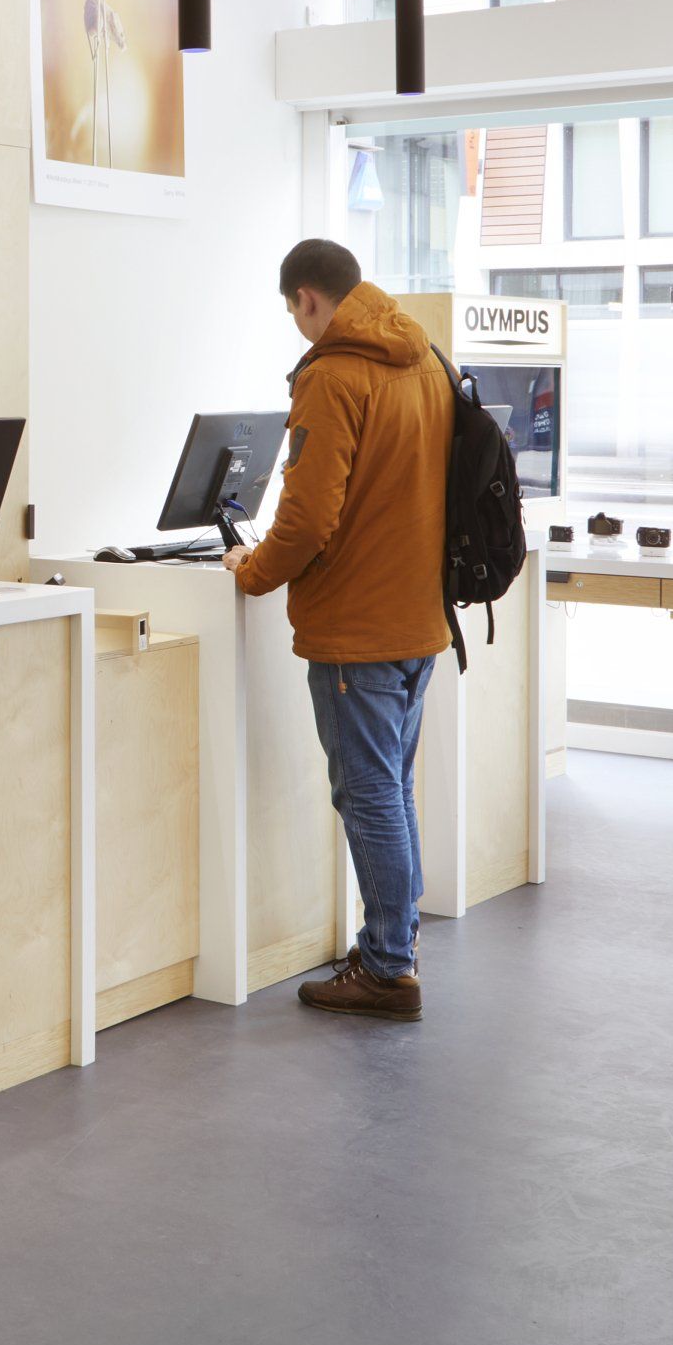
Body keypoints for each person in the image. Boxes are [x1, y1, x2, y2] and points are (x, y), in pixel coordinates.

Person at [225, 238, 456, 1022]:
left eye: (294, 311)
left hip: (357, 626)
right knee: (390, 791)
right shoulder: (422, 356)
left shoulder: (331, 374)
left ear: (307, 299)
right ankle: (394, 944)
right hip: (418, 618)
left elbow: (310, 514)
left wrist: (253, 571)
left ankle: (390, 968)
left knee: (370, 799)